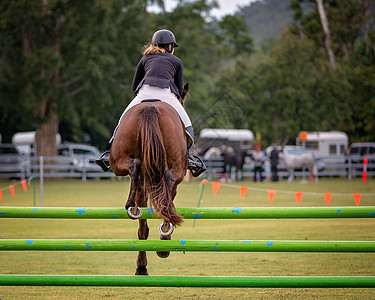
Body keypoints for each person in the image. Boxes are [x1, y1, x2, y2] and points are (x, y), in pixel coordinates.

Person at [96, 29, 206, 177]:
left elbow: (134, 85)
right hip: (166, 94)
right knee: (188, 126)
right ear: (169, 46)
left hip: (144, 93)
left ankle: (111, 154)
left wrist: (143, 96)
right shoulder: (177, 61)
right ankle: (191, 158)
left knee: (122, 121)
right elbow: (179, 89)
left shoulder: (144, 59)